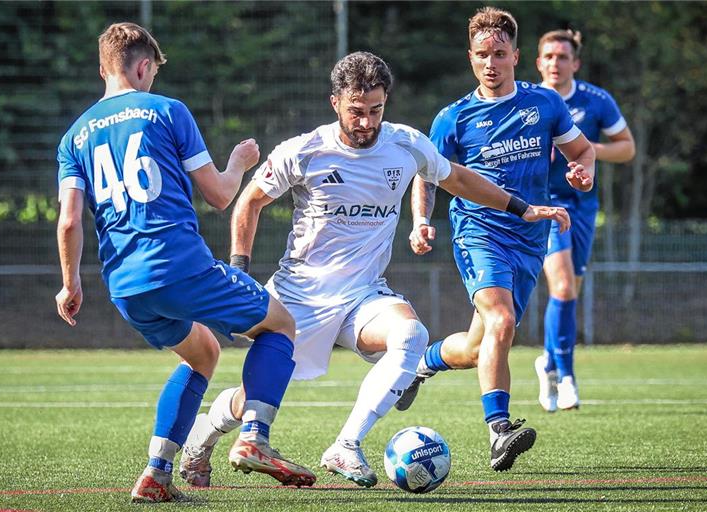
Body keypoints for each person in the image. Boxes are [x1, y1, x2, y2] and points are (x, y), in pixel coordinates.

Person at [178, 51, 568, 488]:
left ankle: (345, 446)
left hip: (363, 296)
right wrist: (239, 269)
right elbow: (249, 202)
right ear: (335, 104)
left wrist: (521, 207)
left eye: (376, 110)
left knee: (411, 335)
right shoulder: (305, 150)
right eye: (356, 112)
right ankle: (200, 439)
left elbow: (457, 178)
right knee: (252, 400)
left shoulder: (405, 144)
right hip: (299, 297)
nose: (366, 122)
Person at [55, 22, 315, 503]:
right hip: (178, 265)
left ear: (102, 69)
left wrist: (70, 283)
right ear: (143, 66)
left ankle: (157, 472)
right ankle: (255, 438)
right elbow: (219, 195)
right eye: (151, 72)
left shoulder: (74, 137)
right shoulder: (166, 111)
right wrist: (239, 162)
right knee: (280, 325)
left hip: (125, 286)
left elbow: (69, 221)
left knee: (204, 354)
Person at [397, 7, 596, 472]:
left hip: (531, 238)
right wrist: (421, 220)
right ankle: (499, 432)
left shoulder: (544, 104)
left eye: (499, 54)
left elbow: (581, 149)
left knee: (474, 347)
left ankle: (417, 365)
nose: (491, 63)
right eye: (482, 55)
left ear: (515, 57)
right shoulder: (453, 118)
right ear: (471, 58)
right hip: (478, 232)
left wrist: (582, 173)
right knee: (502, 319)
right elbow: (425, 175)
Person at [535, 29, 636, 412]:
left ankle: (547, 362)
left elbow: (627, 148)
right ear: (537, 62)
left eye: (562, 57)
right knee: (561, 288)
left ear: (574, 63)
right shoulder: (529, 100)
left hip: (583, 207)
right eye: (548, 56)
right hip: (544, 206)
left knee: (570, 291)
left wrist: (585, 148)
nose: (555, 63)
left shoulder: (596, 101)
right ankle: (566, 377)